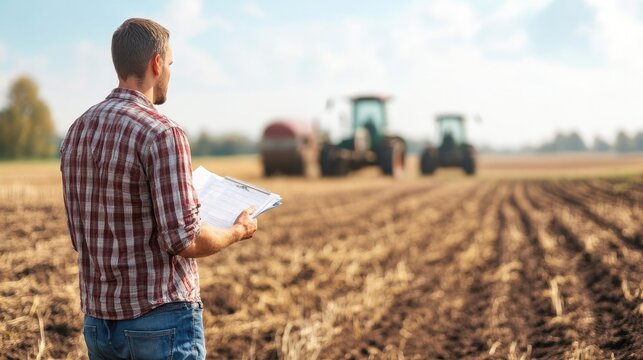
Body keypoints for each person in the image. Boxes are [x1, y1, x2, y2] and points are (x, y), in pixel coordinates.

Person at [60, 18, 257, 359]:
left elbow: (80, 239)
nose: (169, 72)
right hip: (160, 321)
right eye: (169, 64)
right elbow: (185, 239)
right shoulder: (163, 133)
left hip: (97, 324)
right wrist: (237, 231)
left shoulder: (77, 131)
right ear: (155, 63)